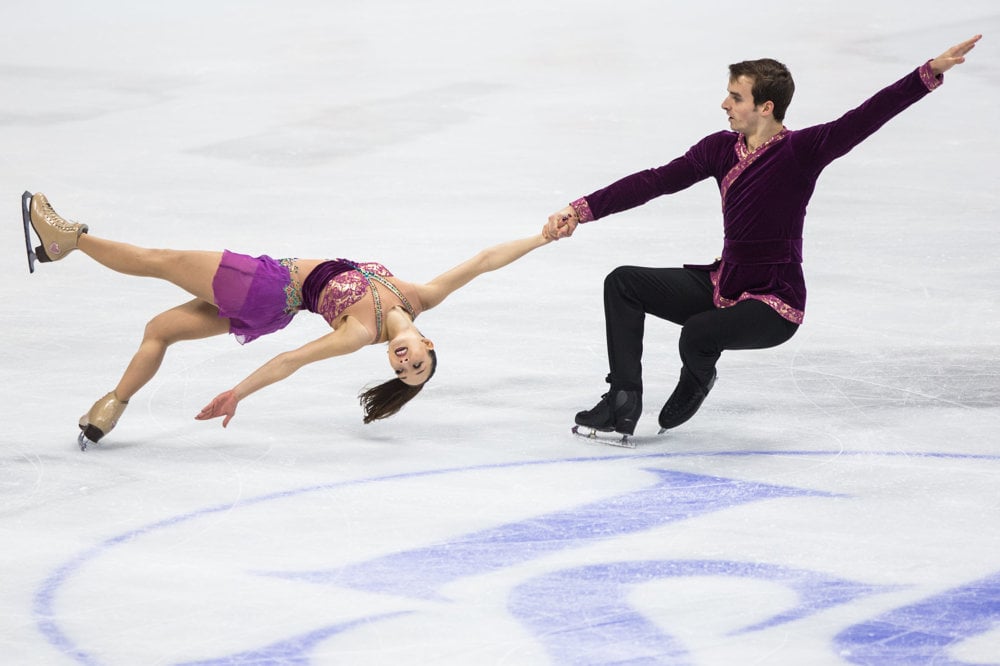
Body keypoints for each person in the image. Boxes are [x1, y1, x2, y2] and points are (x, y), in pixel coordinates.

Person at [543, 34, 982, 439]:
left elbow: (867, 116)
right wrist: (582, 210)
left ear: (766, 106)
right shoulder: (719, 149)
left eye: (736, 97)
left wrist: (928, 73)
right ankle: (622, 399)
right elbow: (655, 180)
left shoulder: (804, 150)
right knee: (623, 283)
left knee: (697, 334)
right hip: (723, 283)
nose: (724, 104)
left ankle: (698, 378)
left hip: (774, 302)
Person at [23, 191, 552, 448]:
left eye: (402, 373)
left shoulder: (360, 333)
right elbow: (484, 262)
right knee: (159, 331)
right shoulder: (422, 297)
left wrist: (238, 394)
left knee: (157, 260)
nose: (405, 364)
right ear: (427, 343)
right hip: (268, 306)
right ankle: (108, 411)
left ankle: (67, 239)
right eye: (418, 364)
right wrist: (541, 237)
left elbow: (291, 360)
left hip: (267, 286)